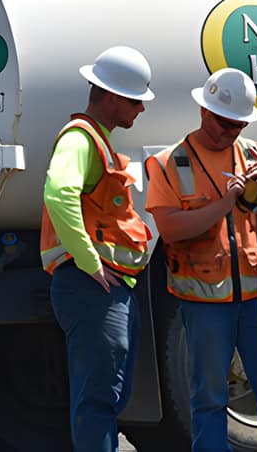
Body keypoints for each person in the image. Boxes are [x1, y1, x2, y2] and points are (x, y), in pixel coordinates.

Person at [145, 67, 257, 451]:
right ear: (205, 111)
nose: (230, 131)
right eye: (224, 122)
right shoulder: (171, 162)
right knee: (209, 396)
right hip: (204, 304)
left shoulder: (255, 154)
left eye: (238, 125)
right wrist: (224, 204)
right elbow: (170, 228)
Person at [40, 46, 155, 452]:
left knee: (105, 397)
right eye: (135, 100)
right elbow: (58, 193)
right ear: (111, 96)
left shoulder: (95, 141)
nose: (141, 109)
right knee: (98, 401)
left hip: (104, 287)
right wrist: (89, 262)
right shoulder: (80, 139)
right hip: (91, 287)